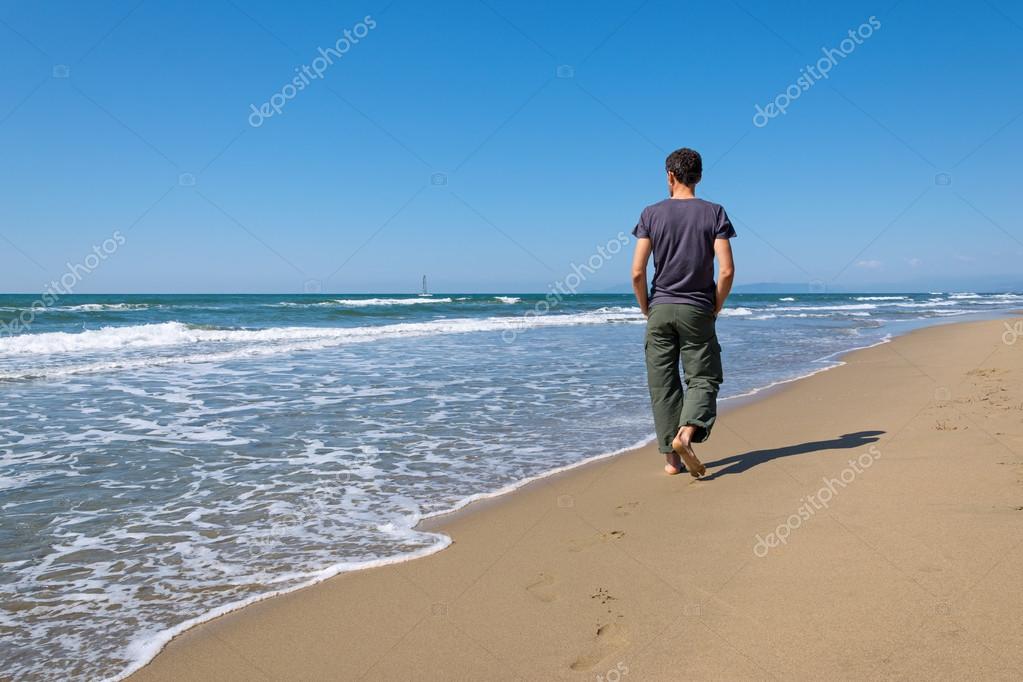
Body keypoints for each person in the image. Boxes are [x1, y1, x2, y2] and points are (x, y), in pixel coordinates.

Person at [630, 147, 736, 477]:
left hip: (660, 308)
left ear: (670, 176)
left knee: (663, 385)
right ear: (699, 177)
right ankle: (686, 434)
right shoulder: (715, 212)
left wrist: (647, 306)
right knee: (703, 377)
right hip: (697, 310)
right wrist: (715, 306)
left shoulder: (650, 213)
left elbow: (637, 271)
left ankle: (671, 462)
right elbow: (727, 270)